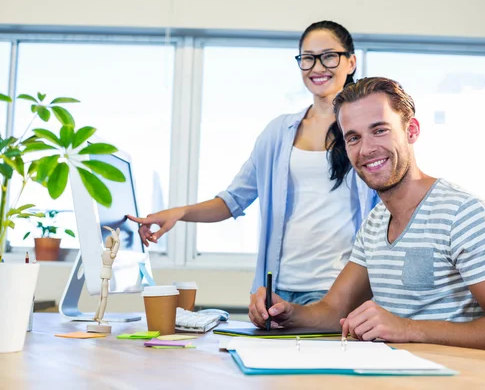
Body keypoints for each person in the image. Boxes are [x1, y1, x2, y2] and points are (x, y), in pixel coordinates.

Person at [248, 77, 485, 354]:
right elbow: (332, 312)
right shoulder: (374, 224)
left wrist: (408, 329)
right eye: (353, 138)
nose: (367, 149)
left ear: (411, 131)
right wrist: (285, 312)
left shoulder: (463, 214)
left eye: (380, 130)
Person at [127, 21, 378, 305]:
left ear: (351, 62)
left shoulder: (366, 133)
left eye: (329, 56)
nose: (318, 67)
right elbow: (233, 199)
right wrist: (180, 212)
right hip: (277, 290)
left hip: (339, 290)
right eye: (308, 58)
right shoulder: (278, 133)